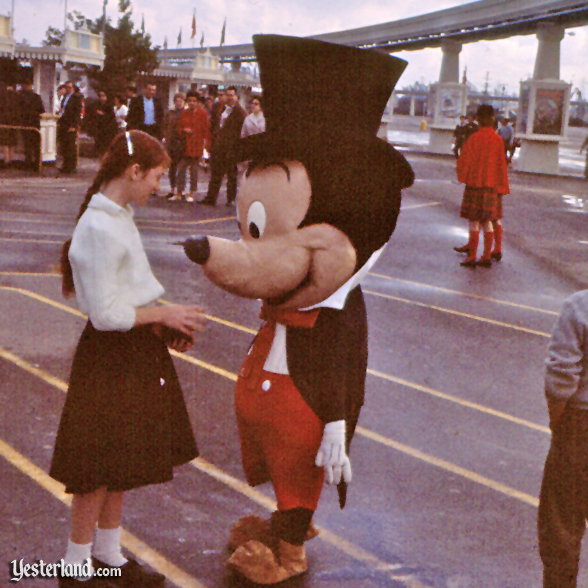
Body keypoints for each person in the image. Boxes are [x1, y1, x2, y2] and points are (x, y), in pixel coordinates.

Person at [50, 130, 206, 587]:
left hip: (133, 347)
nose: (160, 185)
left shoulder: (119, 216)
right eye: (157, 176)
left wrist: (162, 323)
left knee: (122, 458)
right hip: (110, 353)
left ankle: (107, 554)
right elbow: (105, 314)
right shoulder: (98, 227)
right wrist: (163, 314)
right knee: (97, 463)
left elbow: (129, 294)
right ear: (134, 172)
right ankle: (76, 566)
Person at [538, 289, 588, 588]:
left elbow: (560, 377)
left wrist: (558, 423)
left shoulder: (580, 306)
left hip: (580, 426)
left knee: (561, 527)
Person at [454, 104, 509, 267]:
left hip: (475, 184)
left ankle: (472, 256)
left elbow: (464, 160)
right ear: (493, 119)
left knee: (474, 221)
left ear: (478, 119)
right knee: (488, 220)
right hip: (492, 185)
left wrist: (463, 177)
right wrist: (501, 184)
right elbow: (502, 164)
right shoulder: (498, 140)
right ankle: (486, 255)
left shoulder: (474, 138)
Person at [199, 86, 246, 207]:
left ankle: (230, 199)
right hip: (219, 146)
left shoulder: (241, 113)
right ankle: (211, 197)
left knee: (231, 175)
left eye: (232, 95)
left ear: (237, 97)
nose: (229, 97)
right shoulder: (221, 109)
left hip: (231, 148)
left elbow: (242, 132)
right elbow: (215, 126)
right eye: (227, 95)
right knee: (216, 173)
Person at [173, 92, 210, 202]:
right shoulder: (184, 113)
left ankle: (192, 192)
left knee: (194, 170)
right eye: (189, 101)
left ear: (198, 102)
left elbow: (206, 131)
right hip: (185, 145)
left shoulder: (202, 114)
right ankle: (179, 191)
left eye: (194, 101)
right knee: (181, 169)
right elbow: (178, 128)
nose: (192, 103)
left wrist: (206, 147)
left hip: (196, 146)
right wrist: (184, 130)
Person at [163, 92, 186, 199]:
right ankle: (173, 189)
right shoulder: (170, 113)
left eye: (181, 101)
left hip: (181, 143)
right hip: (170, 143)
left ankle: (181, 190)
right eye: (177, 101)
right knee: (172, 167)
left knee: (181, 168)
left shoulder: (186, 113)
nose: (179, 103)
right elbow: (165, 126)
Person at [18, 80, 45, 170]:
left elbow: (18, 110)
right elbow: (42, 110)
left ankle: (28, 163)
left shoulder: (21, 97)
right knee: (36, 145)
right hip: (35, 124)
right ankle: (37, 164)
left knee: (28, 145)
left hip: (25, 123)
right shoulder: (37, 97)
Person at [57, 81, 83, 174]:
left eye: (69, 87)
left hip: (71, 124)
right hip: (64, 123)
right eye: (66, 87)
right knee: (64, 145)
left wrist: (74, 125)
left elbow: (77, 113)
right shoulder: (64, 98)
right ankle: (65, 165)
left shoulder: (76, 98)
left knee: (71, 146)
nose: (67, 89)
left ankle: (71, 166)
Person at [86, 90, 118, 156]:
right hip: (99, 129)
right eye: (100, 96)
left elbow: (111, 118)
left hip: (107, 130)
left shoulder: (109, 106)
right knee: (99, 147)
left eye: (103, 96)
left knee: (106, 147)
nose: (102, 98)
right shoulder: (96, 105)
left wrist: (102, 115)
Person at [0, 83, 19, 167]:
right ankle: (11, 159)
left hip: (3, 121)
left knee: (5, 141)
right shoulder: (17, 95)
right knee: (12, 141)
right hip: (15, 121)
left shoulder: (2, 95)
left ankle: (6, 159)